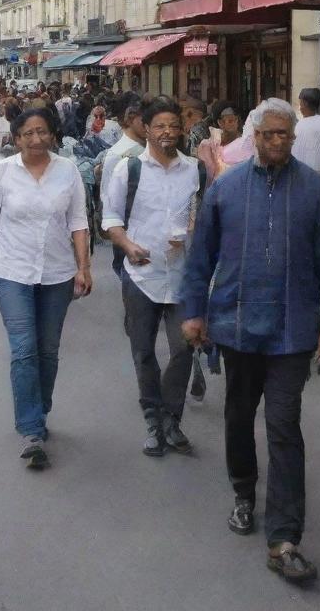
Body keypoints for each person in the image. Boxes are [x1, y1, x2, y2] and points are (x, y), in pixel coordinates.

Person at [182, 98, 320, 585]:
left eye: (286, 136)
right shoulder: (226, 188)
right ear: (254, 135)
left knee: (283, 426)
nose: (278, 142)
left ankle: (285, 537)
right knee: (237, 415)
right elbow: (201, 257)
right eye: (270, 134)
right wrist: (193, 312)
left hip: (293, 331)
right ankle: (242, 492)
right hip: (235, 325)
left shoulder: (315, 190)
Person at [0, 107, 92, 469]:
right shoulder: (2, 172)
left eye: (42, 132)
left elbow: (79, 222)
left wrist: (83, 267)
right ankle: (31, 430)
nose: (36, 139)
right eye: (28, 133)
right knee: (24, 348)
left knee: (48, 351)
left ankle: (39, 408)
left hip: (57, 274)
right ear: (16, 137)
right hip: (12, 273)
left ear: (52, 134)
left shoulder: (67, 170)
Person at [103, 96, 202, 456]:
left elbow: (205, 215)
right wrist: (128, 245)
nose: (168, 132)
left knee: (183, 349)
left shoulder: (195, 169)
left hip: (182, 276)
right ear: (146, 128)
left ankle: (171, 418)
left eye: (174, 126)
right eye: (160, 126)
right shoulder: (129, 169)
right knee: (144, 351)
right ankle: (152, 418)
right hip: (141, 275)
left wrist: (193, 230)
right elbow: (110, 218)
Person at [99, 92, 146, 210]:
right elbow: (109, 202)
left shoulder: (148, 149)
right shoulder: (118, 155)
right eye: (144, 118)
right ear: (129, 118)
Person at [292, 87, 320, 175]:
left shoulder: (297, 125)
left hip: (297, 175)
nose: (299, 107)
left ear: (304, 103)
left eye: (300, 103)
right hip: (318, 175)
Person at [197, 103, 242, 183]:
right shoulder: (210, 144)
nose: (231, 124)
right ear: (220, 122)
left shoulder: (244, 142)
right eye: (228, 121)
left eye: (234, 120)